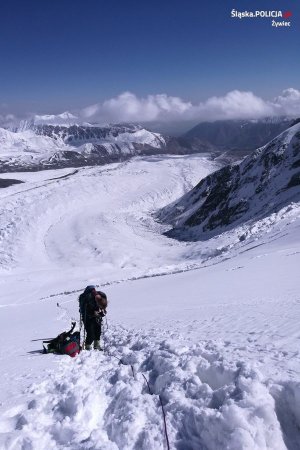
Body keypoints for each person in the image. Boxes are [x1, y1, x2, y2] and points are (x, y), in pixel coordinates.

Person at [80, 286, 107, 350]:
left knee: (98, 331)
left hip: (96, 316)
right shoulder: (86, 298)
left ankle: (96, 345)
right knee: (91, 333)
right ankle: (88, 346)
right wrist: (93, 313)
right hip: (87, 317)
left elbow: (102, 307)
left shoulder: (101, 296)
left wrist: (102, 311)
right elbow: (84, 311)